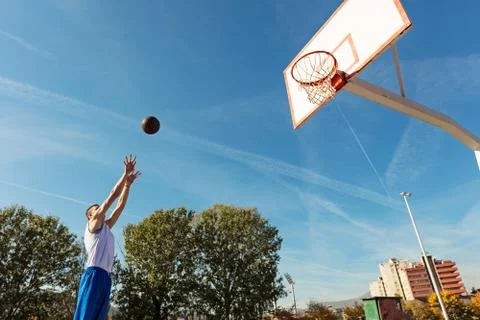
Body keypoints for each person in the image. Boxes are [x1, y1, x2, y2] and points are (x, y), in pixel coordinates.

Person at [73, 154, 141, 320]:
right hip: (93, 274)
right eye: (95, 210)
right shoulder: (93, 226)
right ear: (91, 217)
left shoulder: (106, 227)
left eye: (98, 208)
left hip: (105, 277)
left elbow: (120, 207)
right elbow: (112, 196)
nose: (98, 210)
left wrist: (128, 185)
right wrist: (125, 174)